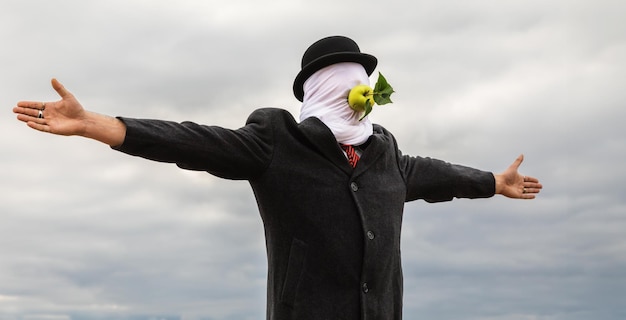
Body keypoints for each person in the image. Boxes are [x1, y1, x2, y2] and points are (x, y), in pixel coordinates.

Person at [14, 36, 542, 320]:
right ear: (322, 90)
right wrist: (96, 125)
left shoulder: (388, 157)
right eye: (345, 80)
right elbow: (191, 140)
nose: (359, 92)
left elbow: (440, 175)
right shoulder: (277, 142)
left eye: (363, 81)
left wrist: (494, 181)